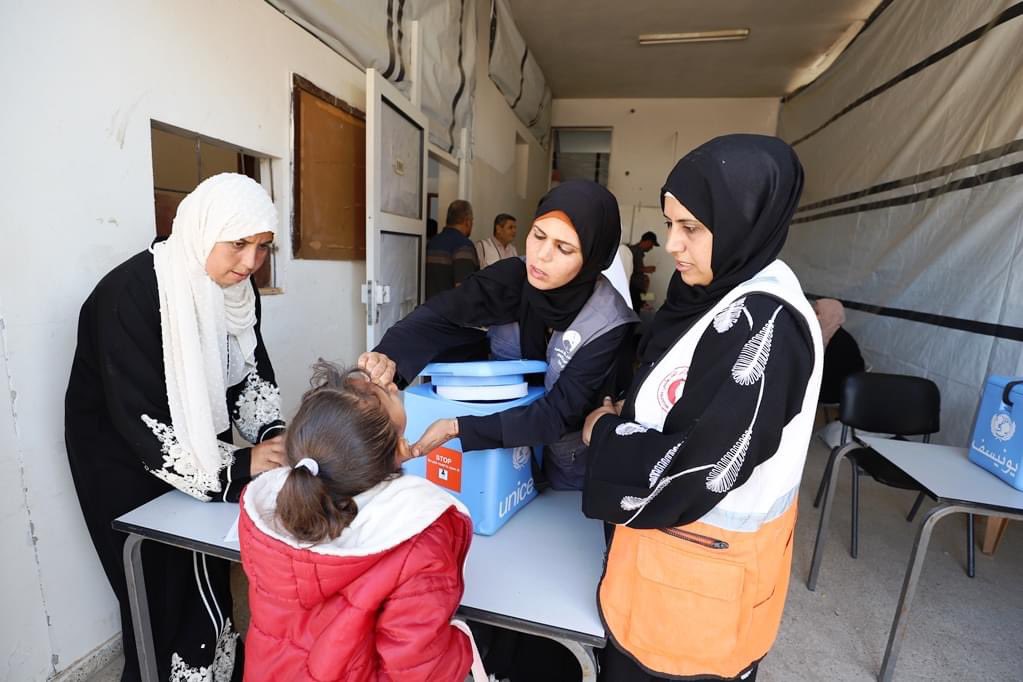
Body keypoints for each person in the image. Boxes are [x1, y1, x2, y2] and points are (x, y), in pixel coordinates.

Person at [580, 135, 823, 681]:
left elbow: (709, 463)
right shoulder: (721, 296)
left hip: (699, 598)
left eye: (691, 228)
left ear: (746, 220)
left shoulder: (766, 324)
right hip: (670, 574)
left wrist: (606, 432)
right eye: (670, 225)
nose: (671, 244)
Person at [65, 173, 287, 681]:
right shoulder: (129, 295)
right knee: (158, 586)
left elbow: (248, 367)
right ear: (204, 229)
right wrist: (238, 466)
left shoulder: (233, 291)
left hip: (200, 455)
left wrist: (270, 435)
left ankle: (214, 668)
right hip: (122, 461)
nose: (250, 263)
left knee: (206, 570)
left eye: (262, 247)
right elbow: (138, 415)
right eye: (238, 244)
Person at [359, 180, 637, 491]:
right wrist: (388, 356)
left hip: (570, 462)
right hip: (504, 458)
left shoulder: (608, 322)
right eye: (538, 235)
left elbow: (558, 414)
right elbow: (440, 315)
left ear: (593, 257)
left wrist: (456, 428)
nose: (541, 255)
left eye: (564, 248)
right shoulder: (514, 277)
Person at [239, 361, 481, 681]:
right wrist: (465, 645)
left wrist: (387, 464)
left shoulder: (270, 512)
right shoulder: (419, 542)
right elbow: (417, 669)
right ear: (396, 447)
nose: (392, 385)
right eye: (386, 392)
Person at [813, 298, 865, 404]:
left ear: (831, 315)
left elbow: (827, 375)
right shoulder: (828, 335)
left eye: (818, 313)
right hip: (833, 386)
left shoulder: (842, 342)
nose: (814, 317)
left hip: (839, 391)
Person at [426, 199, 478, 300]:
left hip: (429, 309)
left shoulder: (432, 242)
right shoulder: (463, 246)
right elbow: (463, 289)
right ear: (467, 221)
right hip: (450, 312)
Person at [628, 230, 659, 310]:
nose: (651, 248)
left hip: (635, 291)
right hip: (633, 290)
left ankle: (643, 303)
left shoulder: (636, 251)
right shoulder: (635, 251)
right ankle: (643, 303)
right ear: (648, 241)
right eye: (652, 245)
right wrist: (646, 269)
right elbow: (630, 269)